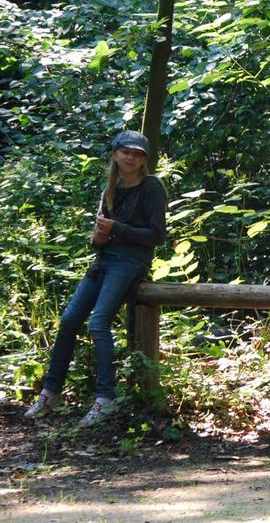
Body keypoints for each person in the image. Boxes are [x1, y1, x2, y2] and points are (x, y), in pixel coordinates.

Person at [24, 130, 167, 428]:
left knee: (98, 323)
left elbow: (157, 236)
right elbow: (99, 243)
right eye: (126, 151)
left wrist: (116, 228)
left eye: (138, 153)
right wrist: (100, 235)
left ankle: (106, 398)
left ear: (144, 160)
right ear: (115, 154)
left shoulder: (152, 187)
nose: (131, 157)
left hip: (129, 263)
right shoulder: (110, 191)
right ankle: (51, 393)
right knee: (68, 320)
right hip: (104, 261)